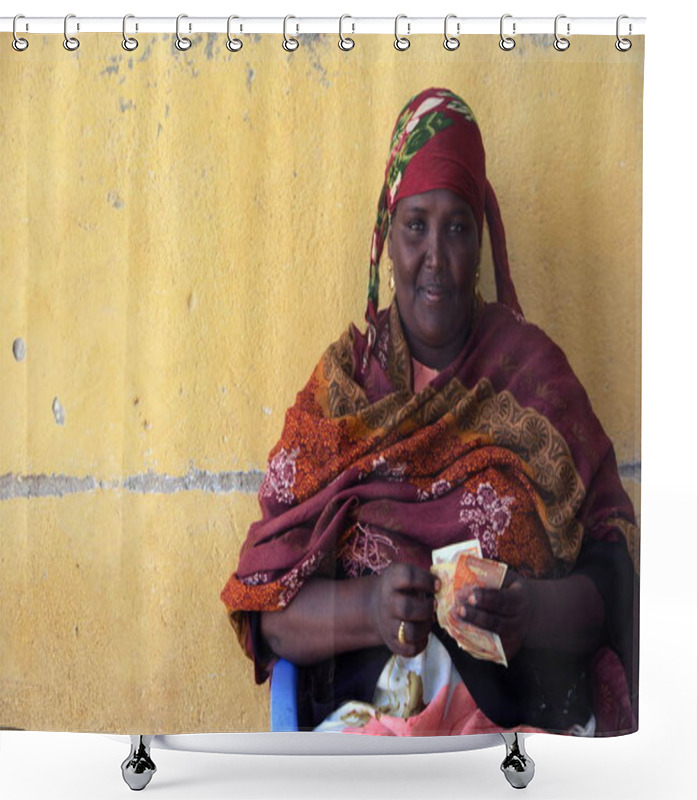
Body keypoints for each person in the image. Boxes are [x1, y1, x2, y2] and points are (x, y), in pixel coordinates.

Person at [221, 87, 639, 737]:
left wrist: (532, 611)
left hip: (518, 730)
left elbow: (612, 581)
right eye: (417, 225)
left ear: (481, 240)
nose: (436, 259)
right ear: (388, 239)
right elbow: (268, 605)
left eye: (457, 228)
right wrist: (366, 606)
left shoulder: (534, 378)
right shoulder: (342, 392)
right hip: (365, 734)